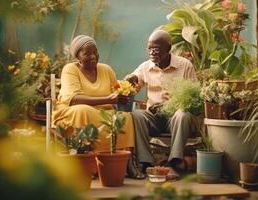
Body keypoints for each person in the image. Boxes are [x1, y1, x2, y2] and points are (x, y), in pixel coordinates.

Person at [53, 35, 145, 179]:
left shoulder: (106, 69)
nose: (93, 56)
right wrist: (107, 99)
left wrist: (127, 86)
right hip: (71, 111)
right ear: (78, 56)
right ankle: (87, 161)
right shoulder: (70, 69)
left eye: (95, 52)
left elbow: (117, 90)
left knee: (125, 117)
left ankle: (127, 163)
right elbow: (74, 99)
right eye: (87, 53)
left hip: (103, 113)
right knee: (83, 110)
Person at [125, 30, 197, 180]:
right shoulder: (145, 67)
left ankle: (173, 163)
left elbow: (193, 97)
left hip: (175, 118)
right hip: (154, 118)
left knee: (183, 114)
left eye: (156, 49)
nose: (151, 52)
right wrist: (130, 79)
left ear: (168, 48)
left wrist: (170, 105)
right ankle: (146, 163)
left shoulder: (185, 65)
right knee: (137, 115)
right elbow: (132, 84)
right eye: (149, 48)